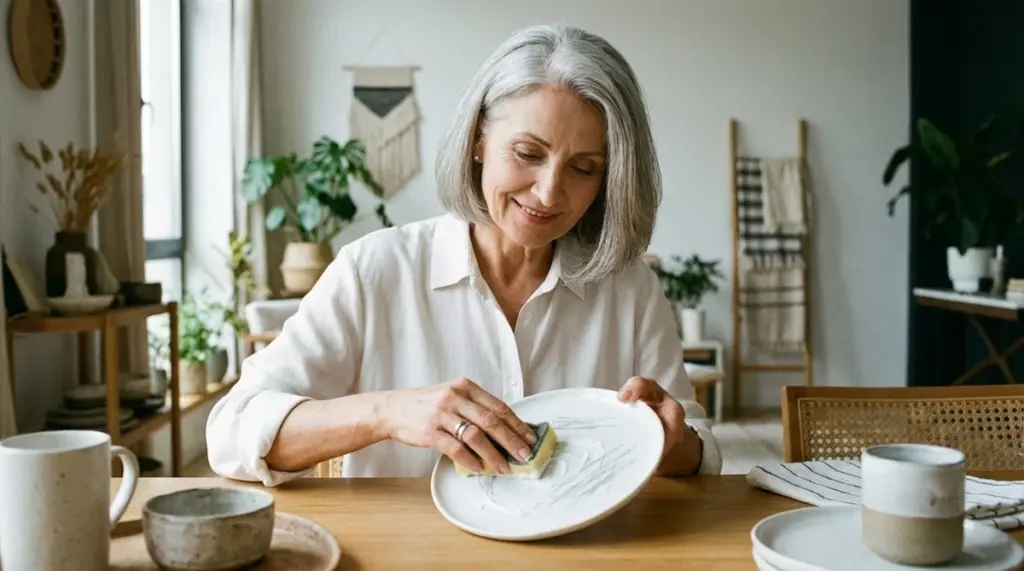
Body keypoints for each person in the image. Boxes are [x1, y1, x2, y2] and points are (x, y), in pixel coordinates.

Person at [206, 23, 722, 486]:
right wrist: (388, 412)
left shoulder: (628, 287)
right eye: (527, 153)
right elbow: (232, 433)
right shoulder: (375, 271)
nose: (547, 193)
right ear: (478, 140)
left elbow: (700, 450)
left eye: (583, 168)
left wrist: (671, 438)